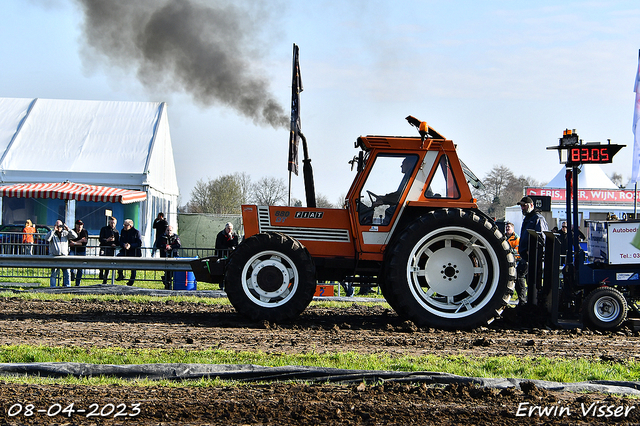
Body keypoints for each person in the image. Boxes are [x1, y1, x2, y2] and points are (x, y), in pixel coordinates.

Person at [516, 196, 549, 307]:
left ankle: (530, 302)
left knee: (529, 279)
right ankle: (525, 302)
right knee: (524, 278)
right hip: (526, 255)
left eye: (524, 205)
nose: (522, 208)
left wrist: (534, 250)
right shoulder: (528, 218)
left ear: (531, 205)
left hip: (533, 256)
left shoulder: (537, 218)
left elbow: (542, 237)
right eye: (521, 206)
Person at [45, 220, 77, 287]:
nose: (59, 227)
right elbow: (47, 239)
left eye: (60, 226)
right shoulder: (52, 234)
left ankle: (67, 287)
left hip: (64, 256)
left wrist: (68, 229)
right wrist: (53, 230)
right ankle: (52, 287)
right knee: (54, 273)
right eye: (57, 226)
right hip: (55, 256)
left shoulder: (65, 233)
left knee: (67, 273)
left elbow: (75, 236)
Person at [117, 219, 142, 286]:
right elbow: (121, 241)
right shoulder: (123, 231)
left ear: (130, 226)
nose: (124, 227)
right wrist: (123, 245)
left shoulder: (136, 232)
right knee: (118, 258)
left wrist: (130, 246)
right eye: (124, 225)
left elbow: (139, 243)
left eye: (125, 225)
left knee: (133, 267)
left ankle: (131, 280)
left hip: (134, 252)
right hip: (125, 251)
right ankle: (120, 274)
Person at [158, 225, 181, 290]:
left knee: (173, 271)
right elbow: (158, 244)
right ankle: (167, 283)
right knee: (167, 271)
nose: (169, 232)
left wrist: (171, 247)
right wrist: (164, 246)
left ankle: (168, 282)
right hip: (164, 256)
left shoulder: (175, 236)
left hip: (174, 256)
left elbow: (178, 245)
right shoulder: (162, 236)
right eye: (168, 230)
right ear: (165, 230)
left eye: (170, 230)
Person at [99, 216, 120, 284]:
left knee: (108, 264)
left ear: (116, 223)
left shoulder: (116, 232)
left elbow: (117, 242)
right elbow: (100, 239)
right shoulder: (104, 229)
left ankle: (105, 279)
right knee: (101, 262)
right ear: (109, 222)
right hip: (104, 247)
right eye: (111, 223)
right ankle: (101, 273)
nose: (112, 224)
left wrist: (115, 245)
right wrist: (107, 240)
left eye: (113, 223)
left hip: (111, 249)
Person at [69, 219, 88, 286]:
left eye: (81, 225)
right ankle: (71, 276)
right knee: (70, 264)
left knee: (80, 268)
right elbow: (70, 242)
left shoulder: (84, 232)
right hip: (73, 250)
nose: (79, 226)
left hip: (81, 251)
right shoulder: (72, 231)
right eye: (78, 225)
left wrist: (75, 243)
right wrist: (80, 241)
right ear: (76, 225)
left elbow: (84, 243)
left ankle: (77, 284)